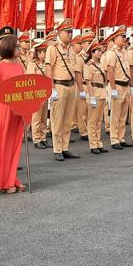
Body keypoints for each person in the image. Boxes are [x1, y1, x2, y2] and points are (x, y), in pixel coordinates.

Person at [0, 28, 28, 193]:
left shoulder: (19, 67)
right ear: (10, 48)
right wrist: (12, 98)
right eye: (17, 46)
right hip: (5, 109)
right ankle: (4, 182)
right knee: (4, 144)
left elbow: (25, 85)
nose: (20, 49)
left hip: (18, 109)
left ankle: (12, 178)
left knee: (15, 144)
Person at [43, 20, 82, 161]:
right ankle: (57, 149)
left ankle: (65, 147)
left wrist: (80, 89)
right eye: (67, 32)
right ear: (60, 33)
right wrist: (51, 88)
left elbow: (76, 69)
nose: (70, 35)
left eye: (71, 32)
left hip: (71, 86)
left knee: (68, 119)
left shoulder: (71, 48)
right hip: (59, 86)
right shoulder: (52, 48)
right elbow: (49, 69)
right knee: (57, 119)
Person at [82, 40, 109, 154]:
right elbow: (88, 82)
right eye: (97, 51)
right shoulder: (89, 65)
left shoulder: (99, 64)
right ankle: (93, 144)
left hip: (101, 92)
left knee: (99, 121)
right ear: (92, 53)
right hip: (94, 92)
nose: (99, 52)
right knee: (92, 121)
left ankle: (99, 142)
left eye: (99, 50)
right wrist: (92, 96)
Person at [27, 40, 50, 148]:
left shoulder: (46, 64)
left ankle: (43, 136)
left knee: (44, 116)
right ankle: (36, 139)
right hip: (36, 92)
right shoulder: (33, 64)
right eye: (44, 52)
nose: (45, 54)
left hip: (45, 92)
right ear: (39, 53)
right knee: (36, 116)